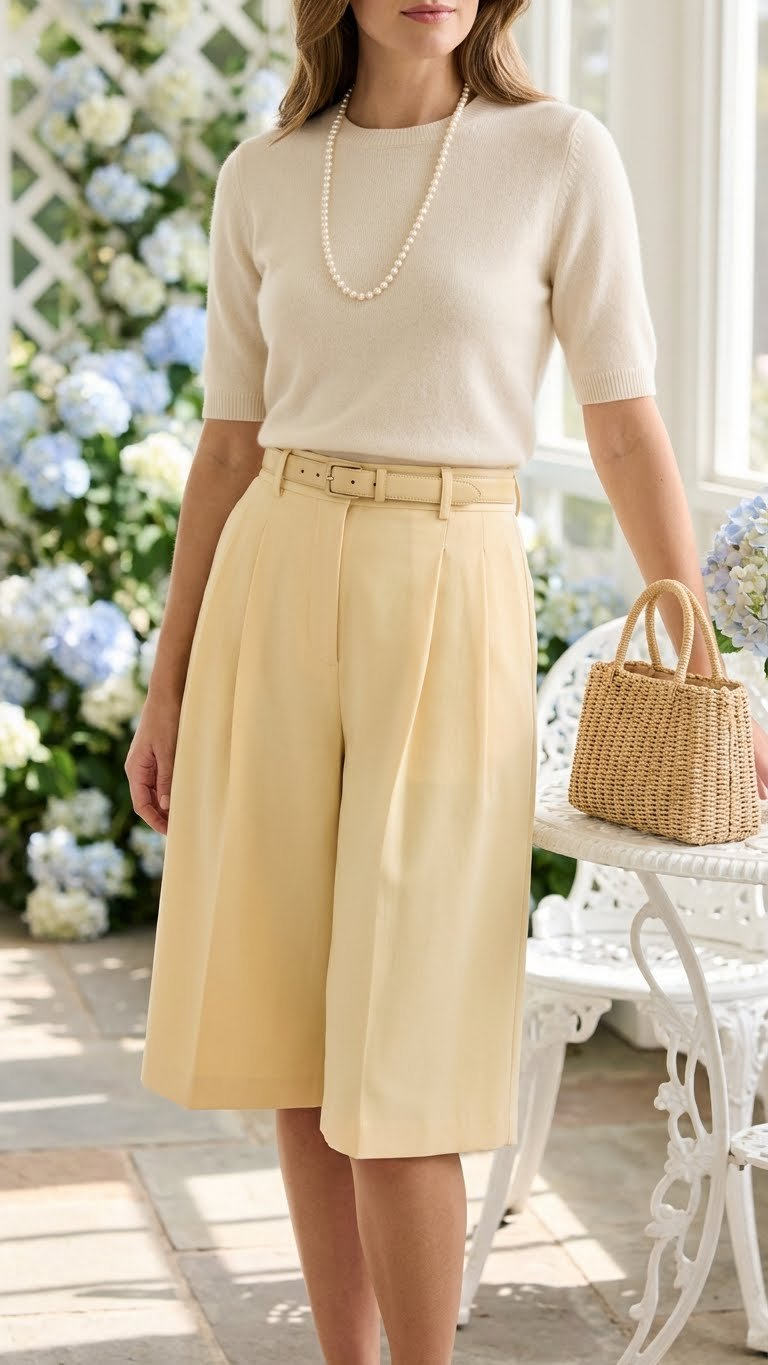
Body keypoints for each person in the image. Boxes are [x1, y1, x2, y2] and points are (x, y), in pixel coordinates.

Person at [127, 0, 768, 1360]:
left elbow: (622, 420)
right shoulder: (264, 175)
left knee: (406, 1045)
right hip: (275, 572)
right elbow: (228, 445)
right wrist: (167, 679)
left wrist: (703, 657)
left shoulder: (559, 153)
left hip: (451, 574)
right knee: (296, 1035)